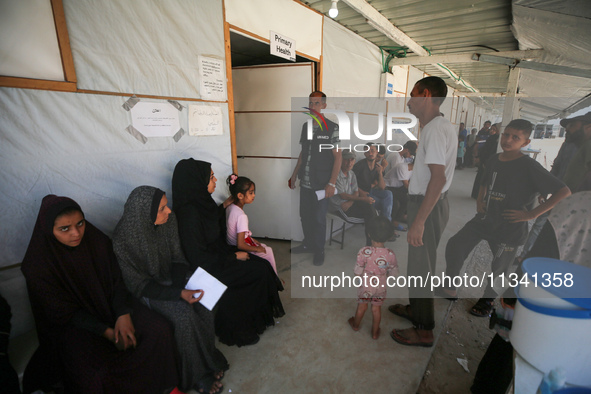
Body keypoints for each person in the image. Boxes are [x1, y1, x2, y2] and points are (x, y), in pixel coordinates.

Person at [21, 195, 181, 394]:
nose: (76, 233)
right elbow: (61, 313)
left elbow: (116, 281)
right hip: (73, 325)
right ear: (48, 230)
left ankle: (164, 386)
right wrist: (108, 332)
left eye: (80, 223)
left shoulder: (96, 241)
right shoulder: (37, 266)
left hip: (111, 306)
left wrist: (123, 314)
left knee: (159, 329)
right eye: (65, 229)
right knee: (97, 373)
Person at [442, 120, 571, 317]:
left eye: (515, 137)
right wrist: (479, 199)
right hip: (485, 219)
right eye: (506, 135)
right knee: (455, 245)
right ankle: (450, 287)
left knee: (500, 268)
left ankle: (487, 301)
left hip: (509, 226)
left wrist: (531, 214)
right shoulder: (495, 158)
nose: (508, 140)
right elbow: (485, 180)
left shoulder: (529, 166)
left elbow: (564, 191)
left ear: (525, 142)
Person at [112, 186, 228, 394]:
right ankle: (196, 375)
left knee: (206, 303)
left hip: (172, 279)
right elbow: (137, 284)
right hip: (148, 290)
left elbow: (177, 257)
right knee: (183, 315)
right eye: (162, 209)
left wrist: (179, 288)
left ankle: (208, 358)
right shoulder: (123, 240)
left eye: (166, 206)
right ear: (144, 214)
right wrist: (178, 296)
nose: (169, 212)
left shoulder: (168, 222)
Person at [172, 159, 285, 347]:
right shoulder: (188, 215)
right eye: (211, 177)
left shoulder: (200, 203)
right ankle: (236, 329)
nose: (215, 180)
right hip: (209, 265)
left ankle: (256, 320)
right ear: (197, 181)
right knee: (256, 272)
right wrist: (234, 256)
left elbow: (209, 220)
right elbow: (198, 257)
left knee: (263, 264)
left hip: (218, 254)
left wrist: (224, 205)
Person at [389, 76, 457, 348]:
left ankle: (424, 329)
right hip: (430, 203)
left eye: (413, 94)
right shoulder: (435, 127)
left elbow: (437, 179)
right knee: (419, 266)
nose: (408, 100)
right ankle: (416, 311)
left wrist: (418, 221)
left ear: (426, 95)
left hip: (428, 205)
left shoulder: (434, 130)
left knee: (421, 269)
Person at [289, 91, 342, 265]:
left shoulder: (332, 128)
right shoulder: (306, 127)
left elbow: (338, 157)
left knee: (319, 219)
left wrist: (332, 183)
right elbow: (304, 153)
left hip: (322, 183)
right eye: (311, 103)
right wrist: (294, 174)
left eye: (317, 103)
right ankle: (308, 244)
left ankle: (319, 249)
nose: (313, 107)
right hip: (305, 181)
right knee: (305, 215)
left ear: (324, 106)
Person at [347, 216, 398, 340]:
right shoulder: (390, 254)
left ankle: (355, 325)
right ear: (389, 236)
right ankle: (375, 333)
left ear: (369, 234)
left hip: (365, 286)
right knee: (376, 309)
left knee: (362, 306)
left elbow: (357, 270)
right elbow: (394, 273)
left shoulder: (363, 251)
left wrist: (358, 277)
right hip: (380, 286)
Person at [225, 174, 278, 275]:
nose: (254, 195)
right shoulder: (241, 216)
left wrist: (253, 240)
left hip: (231, 244)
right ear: (240, 195)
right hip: (236, 248)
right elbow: (240, 245)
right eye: (251, 193)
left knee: (263, 246)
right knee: (268, 251)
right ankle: (275, 279)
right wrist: (257, 248)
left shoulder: (230, 207)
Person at [329, 149, 377, 245]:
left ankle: (371, 244)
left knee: (370, 210)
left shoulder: (352, 173)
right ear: (341, 160)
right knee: (370, 215)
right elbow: (343, 195)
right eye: (346, 160)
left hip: (349, 203)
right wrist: (363, 199)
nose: (349, 163)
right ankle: (372, 244)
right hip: (339, 206)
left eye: (352, 160)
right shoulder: (336, 174)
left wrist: (351, 202)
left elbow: (356, 192)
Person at [352, 143, 394, 229]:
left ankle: (385, 226)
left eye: (372, 151)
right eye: (367, 151)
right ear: (364, 153)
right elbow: (351, 183)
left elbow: (382, 187)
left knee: (388, 194)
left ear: (376, 152)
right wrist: (361, 192)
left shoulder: (377, 166)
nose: (370, 153)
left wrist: (380, 173)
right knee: (384, 204)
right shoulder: (359, 166)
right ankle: (384, 227)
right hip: (361, 193)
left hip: (371, 191)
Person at [472, 122, 501, 199]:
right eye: (492, 129)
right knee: (482, 178)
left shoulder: (498, 139)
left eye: (495, 129)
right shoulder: (492, 138)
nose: (492, 131)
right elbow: (486, 151)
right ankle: (477, 195)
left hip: (490, 161)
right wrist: (482, 159)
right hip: (485, 160)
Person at [385, 159, 414, 233]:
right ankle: (394, 223)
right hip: (388, 187)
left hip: (398, 188)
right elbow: (406, 185)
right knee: (406, 200)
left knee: (408, 198)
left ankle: (398, 220)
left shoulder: (414, 169)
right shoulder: (402, 167)